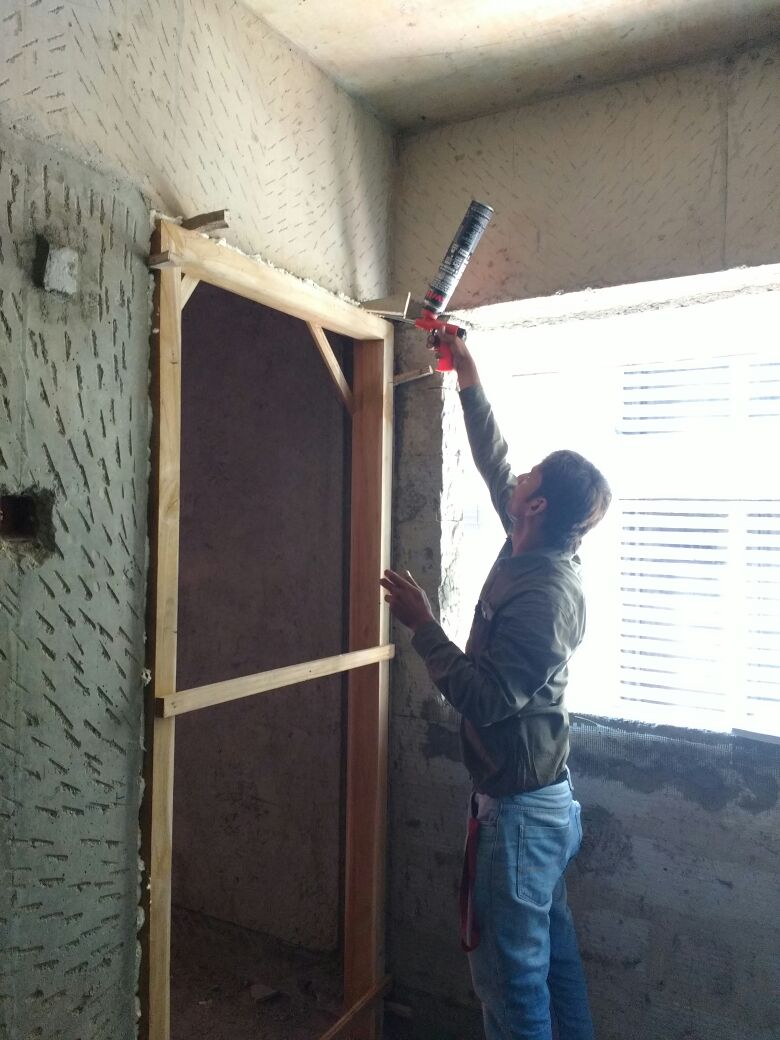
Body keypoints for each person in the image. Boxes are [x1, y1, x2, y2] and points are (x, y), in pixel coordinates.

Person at [380, 331, 611, 1040]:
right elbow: (495, 460)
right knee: (552, 969)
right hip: (535, 809)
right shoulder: (530, 539)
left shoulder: (548, 595)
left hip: (521, 821)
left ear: (536, 507)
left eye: (530, 478)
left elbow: (485, 697)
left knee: (511, 989)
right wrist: (468, 376)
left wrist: (423, 625)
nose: (519, 477)